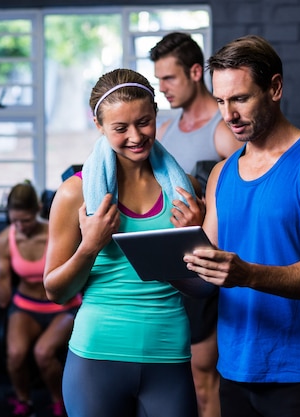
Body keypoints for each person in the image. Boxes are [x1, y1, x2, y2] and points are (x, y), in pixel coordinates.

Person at [183, 35, 300, 417]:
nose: (228, 114)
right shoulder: (220, 174)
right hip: (233, 368)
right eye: (220, 101)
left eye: (240, 98)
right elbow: (208, 273)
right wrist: (171, 256)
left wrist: (247, 274)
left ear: (275, 88)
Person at [43, 68, 205, 417]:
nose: (136, 136)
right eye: (120, 128)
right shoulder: (75, 193)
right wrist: (90, 246)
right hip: (97, 356)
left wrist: (190, 240)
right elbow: (55, 291)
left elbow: (203, 289)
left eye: (144, 122)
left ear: (156, 115)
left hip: (169, 353)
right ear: (99, 126)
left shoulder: (183, 190)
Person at [149, 32, 242, 417]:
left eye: (169, 79)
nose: (162, 88)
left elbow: (247, 200)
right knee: (178, 377)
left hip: (205, 265)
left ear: (194, 71)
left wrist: (204, 216)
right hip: (171, 269)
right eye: (158, 80)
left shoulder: (222, 131)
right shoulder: (164, 130)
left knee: (205, 378)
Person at [0, 181, 81, 417]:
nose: (20, 227)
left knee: (43, 353)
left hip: (63, 306)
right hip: (25, 306)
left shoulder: (56, 232)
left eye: (26, 220)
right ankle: (23, 401)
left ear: (38, 209)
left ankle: (58, 402)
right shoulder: (4, 241)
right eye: (15, 221)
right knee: (15, 355)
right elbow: (2, 300)